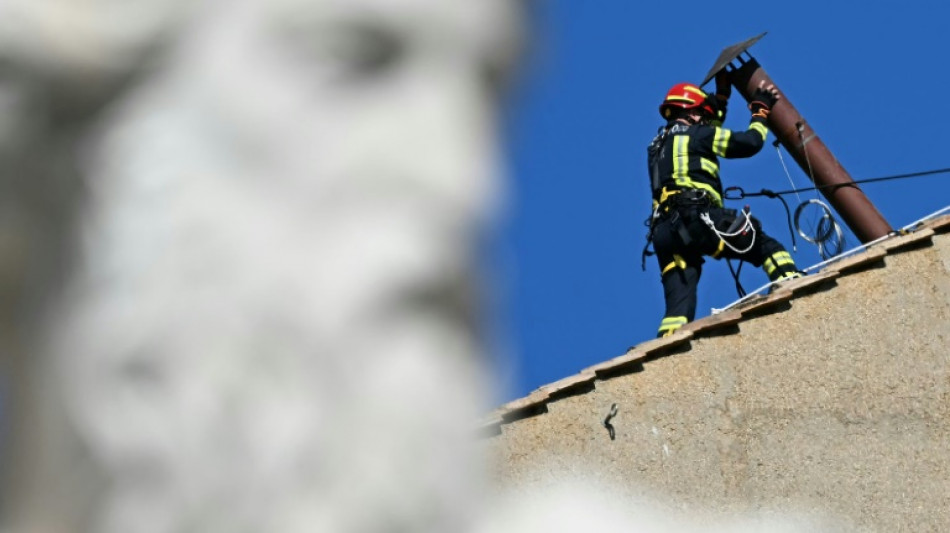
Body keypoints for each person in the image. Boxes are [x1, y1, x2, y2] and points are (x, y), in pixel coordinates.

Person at [646, 72, 802, 338]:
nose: (705, 119)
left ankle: (667, 344)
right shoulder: (698, 135)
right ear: (692, 112)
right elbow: (750, 142)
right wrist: (760, 111)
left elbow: (706, 133)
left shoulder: (656, 146)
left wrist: (721, 98)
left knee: (678, 305)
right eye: (702, 114)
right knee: (764, 245)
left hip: (665, 234)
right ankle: (794, 285)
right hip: (696, 217)